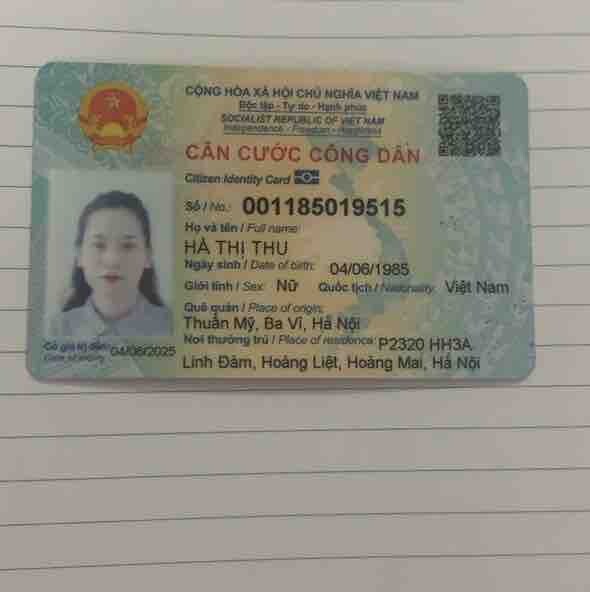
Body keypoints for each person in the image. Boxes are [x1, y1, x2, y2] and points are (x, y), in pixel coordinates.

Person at [50, 190, 172, 338]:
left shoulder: (174, 327)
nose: (112, 260)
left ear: (148, 256)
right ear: (79, 255)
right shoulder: (56, 330)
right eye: (99, 245)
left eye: (127, 246)